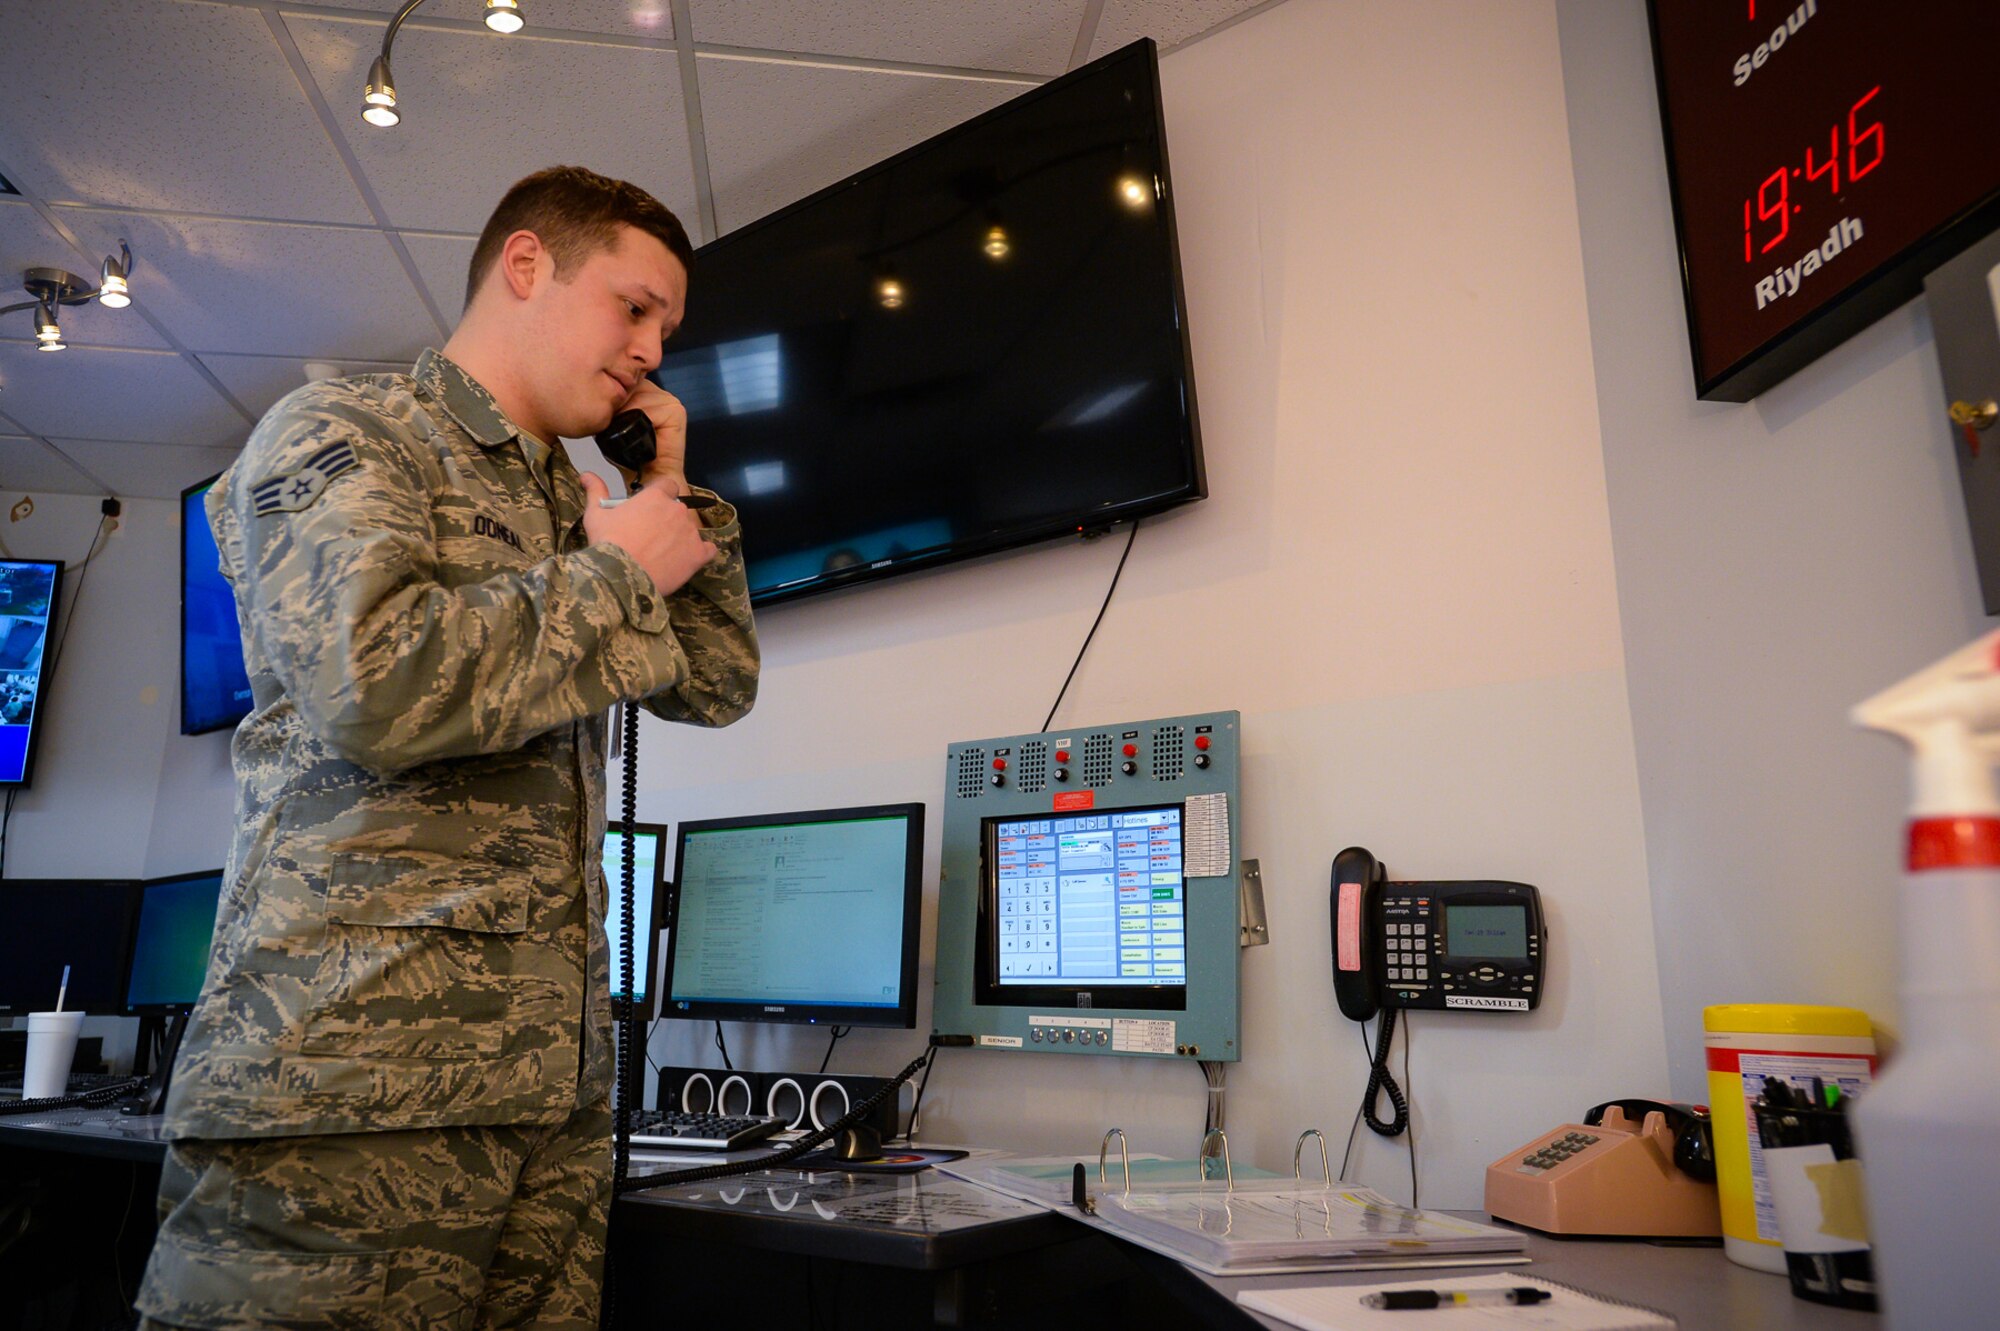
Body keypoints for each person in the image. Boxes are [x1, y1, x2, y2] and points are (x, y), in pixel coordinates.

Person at [135, 165, 758, 1330]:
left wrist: (663, 496)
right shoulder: (346, 431)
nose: (652, 353)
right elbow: (372, 682)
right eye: (634, 307)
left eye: (666, 329)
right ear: (527, 265)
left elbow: (716, 685)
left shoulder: (578, 504)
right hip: (347, 1091)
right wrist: (618, 570)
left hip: (546, 1096)